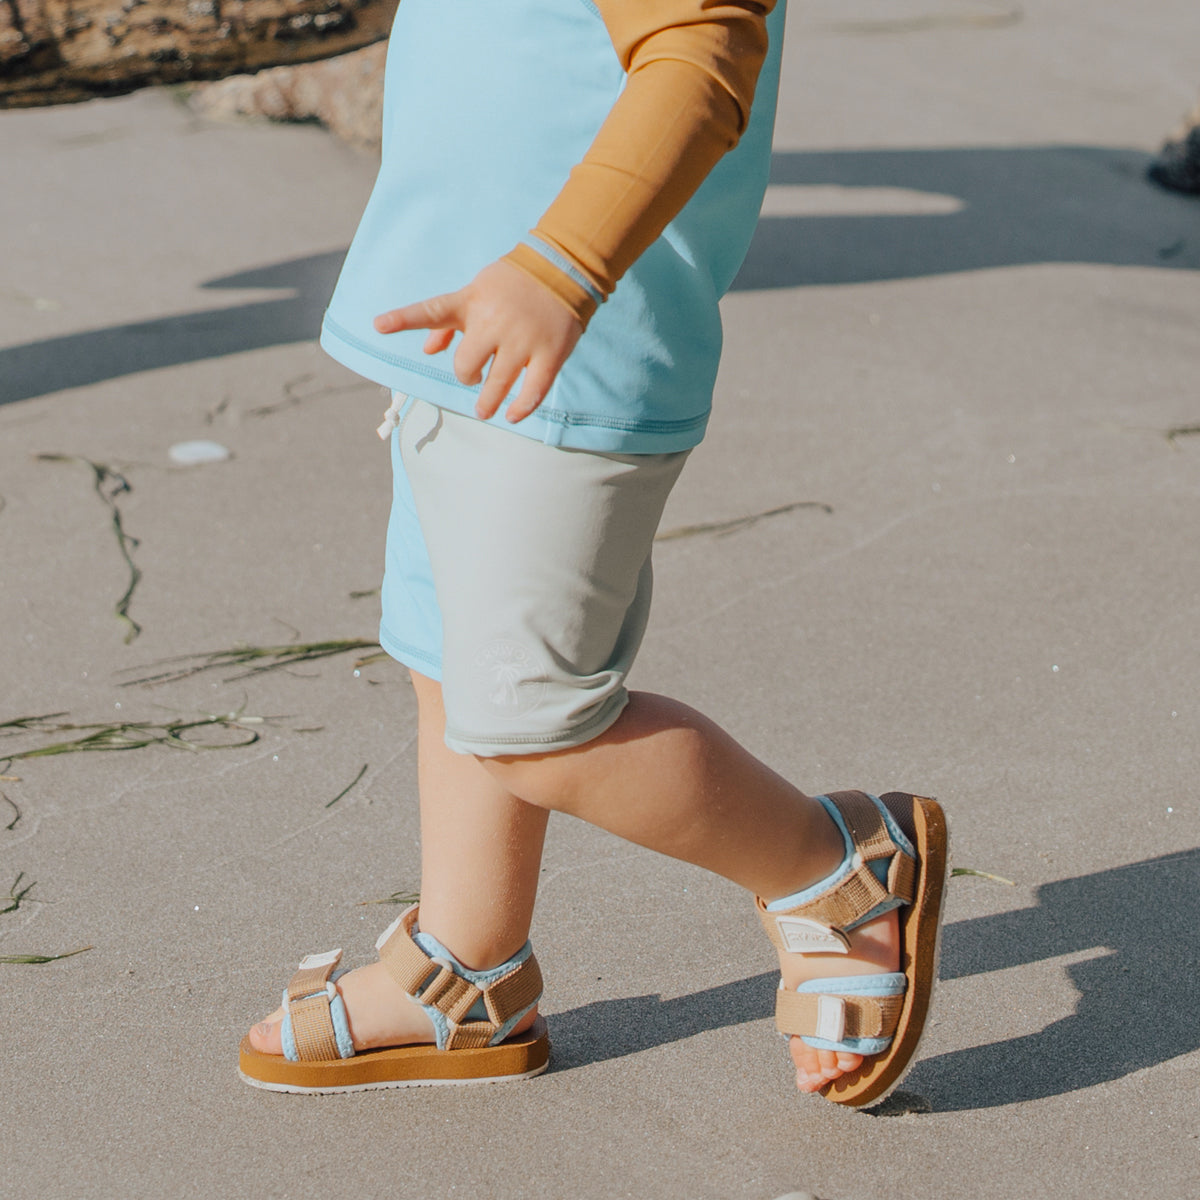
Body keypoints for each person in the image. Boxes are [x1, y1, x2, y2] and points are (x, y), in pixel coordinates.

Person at [237, 0, 948, 1108]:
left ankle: (830, 867)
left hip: (572, 347)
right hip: (463, 328)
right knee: (446, 659)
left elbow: (703, 53)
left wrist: (563, 269)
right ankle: (468, 970)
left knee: (531, 719)